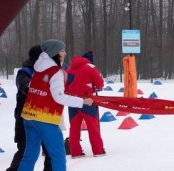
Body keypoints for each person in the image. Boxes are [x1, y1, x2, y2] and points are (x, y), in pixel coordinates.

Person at [19, 40, 93, 171]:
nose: (65, 53)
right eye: (62, 51)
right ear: (54, 52)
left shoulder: (38, 67)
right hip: (45, 119)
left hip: (29, 116)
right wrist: (82, 101)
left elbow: (36, 89)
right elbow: (59, 97)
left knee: (30, 155)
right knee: (58, 156)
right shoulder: (56, 72)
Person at [6, 46, 52, 171]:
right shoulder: (24, 73)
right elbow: (26, 88)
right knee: (25, 150)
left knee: (51, 150)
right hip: (26, 118)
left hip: (45, 117)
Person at [66, 51, 106, 158]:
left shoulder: (69, 68)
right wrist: (95, 87)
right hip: (87, 100)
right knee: (93, 126)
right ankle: (98, 150)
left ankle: (75, 152)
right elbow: (100, 84)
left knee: (74, 128)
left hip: (72, 100)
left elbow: (66, 85)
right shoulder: (90, 67)